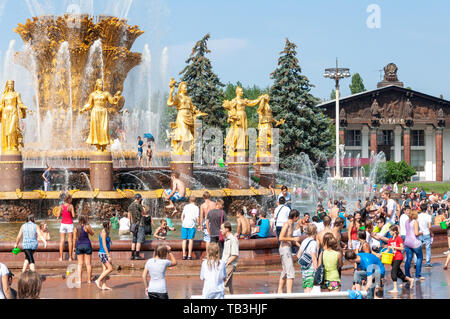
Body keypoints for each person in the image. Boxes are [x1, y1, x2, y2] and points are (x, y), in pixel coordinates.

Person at [277, 210, 301, 294]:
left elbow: (290, 237)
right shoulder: (287, 224)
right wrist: (293, 239)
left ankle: (279, 291)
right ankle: (289, 293)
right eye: (297, 217)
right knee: (290, 271)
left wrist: (300, 246)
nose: (298, 219)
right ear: (294, 217)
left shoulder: (292, 224)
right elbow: (280, 238)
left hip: (287, 249)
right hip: (284, 248)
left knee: (285, 271)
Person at [387, 225, 415, 293]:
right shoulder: (390, 240)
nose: (389, 232)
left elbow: (402, 248)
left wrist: (394, 247)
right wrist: (381, 254)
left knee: (393, 272)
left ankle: (395, 289)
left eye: (390, 230)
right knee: (398, 273)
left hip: (398, 257)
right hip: (392, 258)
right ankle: (410, 279)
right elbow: (388, 250)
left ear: (395, 231)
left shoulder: (398, 238)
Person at [72, 214, 94, 285]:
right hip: (87, 245)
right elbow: (92, 234)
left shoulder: (76, 228)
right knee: (88, 264)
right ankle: (89, 280)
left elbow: (74, 239)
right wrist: (90, 228)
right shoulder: (87, 226)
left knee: (80, 264)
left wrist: (74, 247)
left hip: (79, 246)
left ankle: (79, 280)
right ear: (85, 219)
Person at [297, 224, 318, 293]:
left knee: (306, 286)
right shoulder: (313, 243)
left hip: (304, 267)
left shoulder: (304, 241)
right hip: (311, 268)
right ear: (315, 232)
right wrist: (316, 268)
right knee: (310, 286)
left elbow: (298, 255)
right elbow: (313, 257)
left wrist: (305, 259)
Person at [404, 210, 424, 281]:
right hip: (414, 242)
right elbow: (416, 233)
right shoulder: (415, 222)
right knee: (419, 257)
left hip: (407, 242)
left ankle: (407, 275)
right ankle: (418, 275)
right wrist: (421, 232)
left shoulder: (406, 221)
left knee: (408, 259)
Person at [221, 221, 239, 294]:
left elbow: (234, 255)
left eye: (222, 228)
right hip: (227, 264)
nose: (221, 230)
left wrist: (226, 263)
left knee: (223, 284)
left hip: (229, 265)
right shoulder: (227, 239)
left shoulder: (233, 239)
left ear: (227, 229)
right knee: (228, 285)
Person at [56, 194, 75, 261]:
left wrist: (60, 215)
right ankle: (70, 257)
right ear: (69, 199)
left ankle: (60, 257)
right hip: (69, 224)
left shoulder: (61, 206)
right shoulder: (71, 206)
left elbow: (58, 215)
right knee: (70, 241)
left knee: (62, 241)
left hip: (63, 224)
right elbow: (73, 215)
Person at [95, 220, 114, 291]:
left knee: (105, 269)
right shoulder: (104, 232)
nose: (111, 224)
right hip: (103, 253)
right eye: (110, 223)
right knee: (110, 268)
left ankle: (104, 285)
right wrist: (108, 255)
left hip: (104, 253)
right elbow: (104, 244)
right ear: (107, 225)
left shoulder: (106, 232)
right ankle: (98, 280)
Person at [128, 193, 145, 260]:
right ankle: (137, 255)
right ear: (139, 198)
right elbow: (144, 213)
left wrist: (130, 224)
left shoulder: (130, 205)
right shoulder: (139, 205)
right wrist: (143, 204)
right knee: (139, 241)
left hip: (133, 225)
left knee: (133, 240)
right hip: (140, 224)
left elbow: (129, 216)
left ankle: (132, 255)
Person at [418, 203, 433, 268]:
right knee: (428, 248)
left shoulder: (418, 216)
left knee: (418, 248)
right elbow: (429, 226)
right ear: (426, 208)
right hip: (426, 233)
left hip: (420, 233)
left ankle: (416, 262)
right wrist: (431, 232)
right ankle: (427, 263)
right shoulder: (428, 216)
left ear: (420, 209)